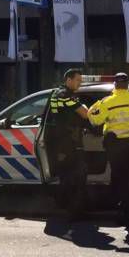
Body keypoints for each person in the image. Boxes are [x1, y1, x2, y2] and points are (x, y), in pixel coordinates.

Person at [88, 73, 129, 233]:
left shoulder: (107, 102)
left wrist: (96, 104)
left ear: (115, 85)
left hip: (116, 146)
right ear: (128, 85)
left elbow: (94, 119)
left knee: (122, 180)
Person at [45, 68, 89, 218]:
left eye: (81, 81)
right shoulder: (65, 95)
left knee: (67, 175)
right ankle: (74, 210)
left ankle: (63, 203)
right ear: (68, 80)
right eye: (78, 80)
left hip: (63, 141)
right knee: (77, 175)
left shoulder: (57, 93)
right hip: (68, 142)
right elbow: (85, 113)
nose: (80, 83)